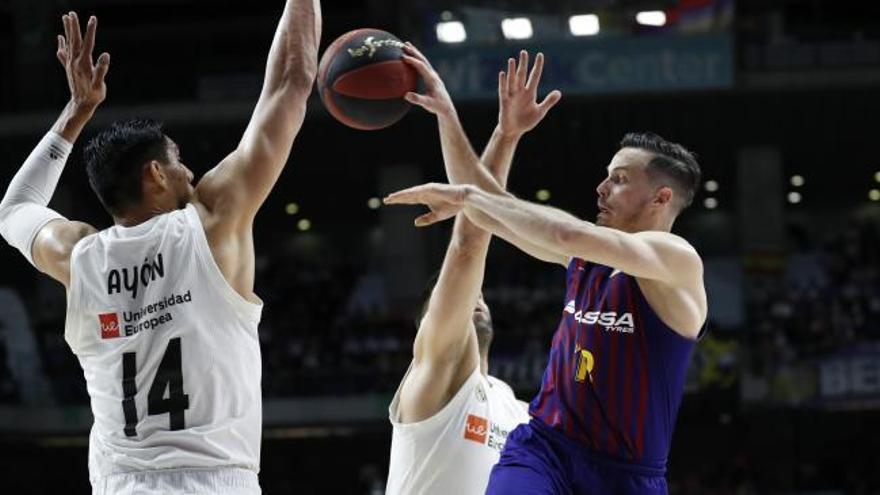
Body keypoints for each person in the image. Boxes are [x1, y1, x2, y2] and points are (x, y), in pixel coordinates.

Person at [0, 3, 320, 493]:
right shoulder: (212, 224)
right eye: (178, 161)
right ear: (155, 174)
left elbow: (15, 207)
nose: (189, 173)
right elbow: (291, 82)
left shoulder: (79, 257)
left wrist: (75, 112)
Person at [385, 45, 708, 495]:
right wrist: (452, 115)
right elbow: (486, 209)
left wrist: (469, 200)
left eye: (619, 179)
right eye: (606, 175)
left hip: (625, 474)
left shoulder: (677, 261)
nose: (601, 187)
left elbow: (561, 234)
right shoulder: (590, 261)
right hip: (545, 448)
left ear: (661, 198)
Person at [384, 49, 561, 495]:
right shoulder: (434, 377)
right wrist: (504, 135)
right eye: (464, 299)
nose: (476, 300)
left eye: (479, 296)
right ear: (430, 324)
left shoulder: (521, 412)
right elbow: (467, 247)